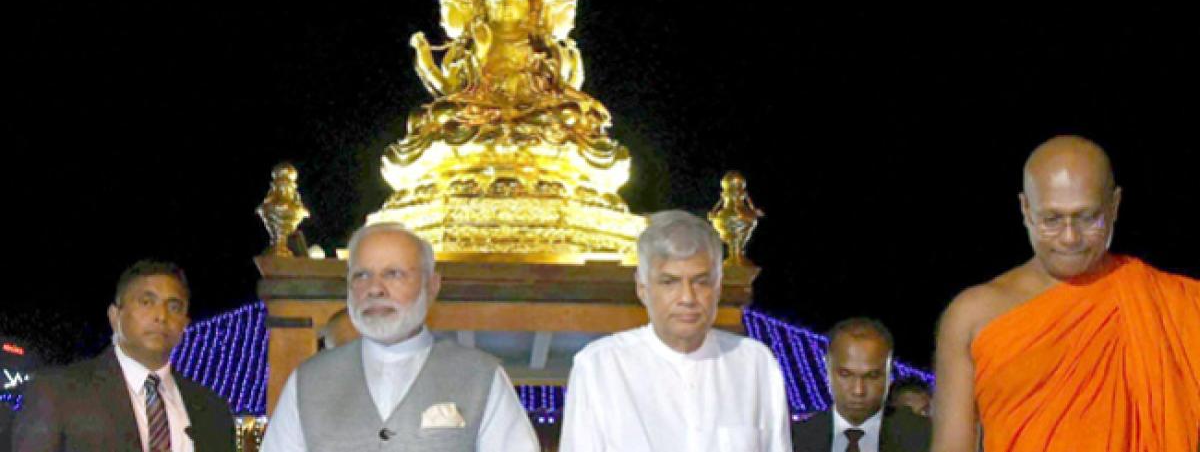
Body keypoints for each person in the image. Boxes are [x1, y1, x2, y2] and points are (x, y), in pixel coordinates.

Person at [932, 135, 1200, 451]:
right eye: (1052, 219)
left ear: (1114, 206)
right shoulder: (972, 314)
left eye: (1087, 218)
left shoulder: (1177, 304)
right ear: (1025, 209)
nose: (1070, 237)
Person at [260, 223, 539, 452]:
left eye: (393, 274)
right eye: (362, 275)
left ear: (431, 286)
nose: (375, 289)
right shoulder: (308, 381)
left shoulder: (481, 376)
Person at [560, 210, 792, 451]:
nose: (687, 298)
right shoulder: (600, 366)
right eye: (669, 282)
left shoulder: (754, 363)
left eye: (700, 282)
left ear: (718, 287)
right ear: (642, 288)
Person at [11, 260, 235, 451]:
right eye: (147, 302)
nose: (161, 316)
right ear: (115, 316)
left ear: (185, 324)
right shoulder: (57, 393)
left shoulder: (213, 410)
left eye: (174, 307)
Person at [792, 318, 930, 452]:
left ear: (889, 373)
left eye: (872, 376)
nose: (858, 390)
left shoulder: (926, 437)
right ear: (827, 367)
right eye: (845, 374)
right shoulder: (794, 440)